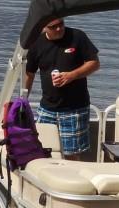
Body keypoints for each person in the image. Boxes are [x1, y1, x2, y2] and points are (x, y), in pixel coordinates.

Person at [24, 17, 99, 161]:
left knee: (72, 154)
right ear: (44, 28)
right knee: (42, 149)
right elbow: (29, 74)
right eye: (53, 27)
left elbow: (94, 63)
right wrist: (23, 101)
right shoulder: (36, 43)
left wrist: (72, 75)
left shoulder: (77, 36)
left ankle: (72, 180)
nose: (59, 29)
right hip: (47, 108)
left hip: (74, 108)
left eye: (61, 24)